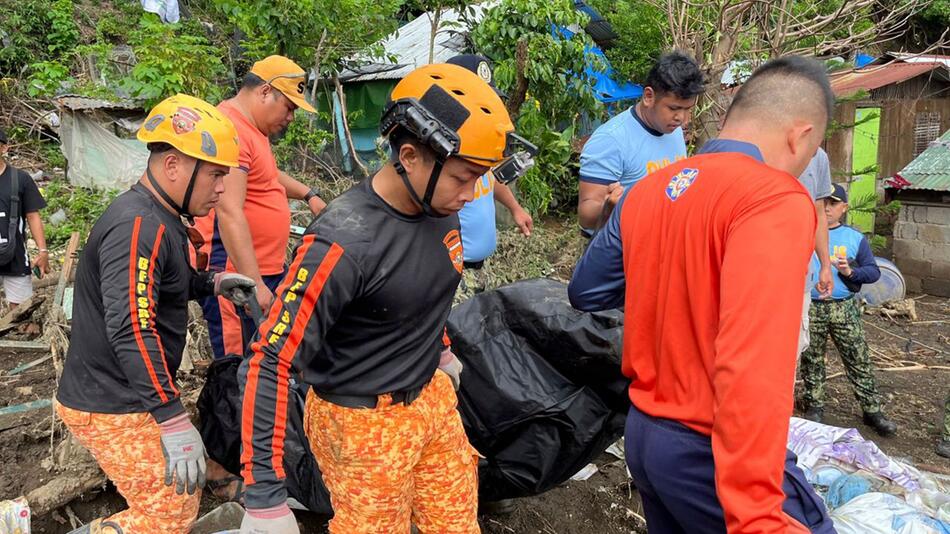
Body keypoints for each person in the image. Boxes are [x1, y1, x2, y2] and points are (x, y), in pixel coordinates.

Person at [237, 63, 518, 533]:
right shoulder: (343, 244)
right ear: (409, 155)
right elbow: (270, 362)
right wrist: (264, 496)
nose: (471, 194)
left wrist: (442, 351)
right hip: (361, 423)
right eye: (464, 177)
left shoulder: (440, 207)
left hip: (431, 401)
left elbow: (418, 293)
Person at [568, 57, 838, 533]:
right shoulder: (773, 198)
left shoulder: (646, 191)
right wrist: (756, 511)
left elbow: (587, 290)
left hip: (645, 435)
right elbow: (750, 362)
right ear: (801, 136)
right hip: (710, 449)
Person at [55, 94, 256, 534]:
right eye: (216, 175)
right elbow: (131, 327)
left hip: (128, 389)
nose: (222, 188)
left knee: (174, 498)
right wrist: (171, 417)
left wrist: (213, 282)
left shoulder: (160, 218)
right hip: (110, 401)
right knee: (168, 512)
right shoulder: (137, 226)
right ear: (173, 167)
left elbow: (166, 284)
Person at [194, 55, 326, 363]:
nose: (291, 117)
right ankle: (235, 412)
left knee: (263, 358)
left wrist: (309, 194)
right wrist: (252, 283)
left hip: (264, 269)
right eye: (289, 107)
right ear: (265, 92)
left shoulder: (252, 129)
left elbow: (266, 174)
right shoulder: (231, 129)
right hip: (237, 276)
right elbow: (229, 211)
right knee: (238, 364)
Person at [799, 184, 897, 437]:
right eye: (824, 203)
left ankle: (872, 409)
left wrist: (849, 272)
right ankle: (815, 405)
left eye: (833, 204)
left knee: (858, 358)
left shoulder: (855, 238)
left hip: (844, 308)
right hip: (813, 307)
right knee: (811, 359)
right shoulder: (805, 232)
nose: (828, 209)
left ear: (844, 208)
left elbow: (874, 271)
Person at [576, 51, 703, 234]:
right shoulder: (611, 140)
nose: (682, 118)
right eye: (674, 108)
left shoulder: (672, 130)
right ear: (649, 97)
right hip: (619, 250)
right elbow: (586, 217)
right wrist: (614, 207)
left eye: (687, 109)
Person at [447, 54, 533, 299]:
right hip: (454, 273)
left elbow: (490, 179)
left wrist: (515, 209)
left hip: (483, 267)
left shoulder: (477, 142)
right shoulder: (442, 151)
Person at [0, 128, 50, 308]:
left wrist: (43, 252)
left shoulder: (20, 179)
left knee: (22, 311)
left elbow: (33, 216)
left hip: (15, 255)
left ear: (4, 148)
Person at [796, 148, 836, 356]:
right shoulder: (759, 147)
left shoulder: (818, 156)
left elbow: (818, 211)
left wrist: (825, 265)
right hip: (757, 277)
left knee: (792, 350)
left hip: (800, 275)